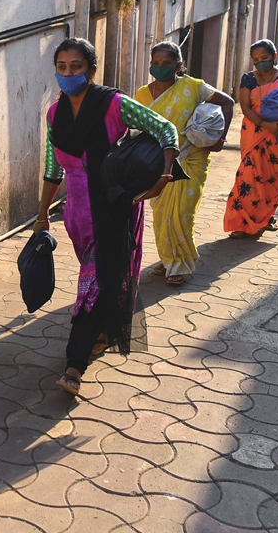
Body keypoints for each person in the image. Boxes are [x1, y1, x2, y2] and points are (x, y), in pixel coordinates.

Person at [33, 38, 178, 396]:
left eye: (76, 66)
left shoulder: (114, 104)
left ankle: (74, 364)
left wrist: (163, 175)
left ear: (91, 69)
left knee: (94, 280)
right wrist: (41, 215)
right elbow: (54, 169)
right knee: (99, 275)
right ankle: (100, 328)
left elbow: (165, 130)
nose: (68, 73)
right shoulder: (55, 114)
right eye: (62, 67)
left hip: (113, 206)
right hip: (78, 213)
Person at [135, 41, 235, 285]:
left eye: (166, 63)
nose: (159, 67)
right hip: (157, 162)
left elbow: (228, 103)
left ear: (178, 65)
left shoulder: (194, 87)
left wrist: (220, 138)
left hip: (191, 158)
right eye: (155, 63)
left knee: (182, 213)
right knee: (161, 215)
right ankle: (169, 258)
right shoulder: (142, 94)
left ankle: (181, 264)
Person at [223, 39, 278, 238]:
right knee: (247, 178)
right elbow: (245, 107)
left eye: (264, 58)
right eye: (256, 59)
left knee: (273, 180)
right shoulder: (248, 79)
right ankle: (242, 223)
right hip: (255, 136)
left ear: (274, 56)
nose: (260, 62)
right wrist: (266, 125)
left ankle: (265, 218)